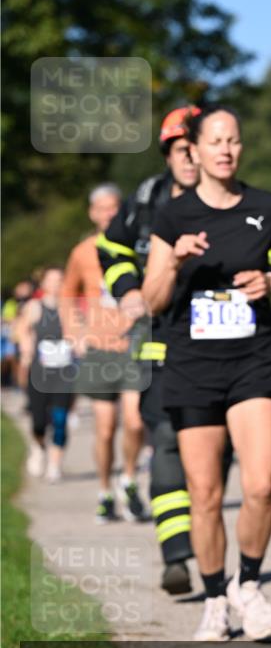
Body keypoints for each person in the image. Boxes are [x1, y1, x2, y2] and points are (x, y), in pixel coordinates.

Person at [143, 105, 271, 641]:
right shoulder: (172, 214)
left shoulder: (266, 206)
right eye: (215, 141)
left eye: (233, 140)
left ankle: (248, 584)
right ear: (194, 149)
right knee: (206, 494)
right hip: (192, 368)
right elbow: (151, 300)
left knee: (261, 485)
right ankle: (214, 599)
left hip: (252, 361)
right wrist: (174, 260)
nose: (226, 150)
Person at [98, 106, 212, 595]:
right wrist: (127, 290)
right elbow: (111, 249)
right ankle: (176, 552)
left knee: (211, 449)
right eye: (180, 150)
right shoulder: (145, 201)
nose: (189, 159)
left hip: (217, 344)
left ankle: (209, 542)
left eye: (194, 149)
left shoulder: (231, 199)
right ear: (168, 153)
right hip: (158, 338)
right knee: (164, 436)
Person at [60, 184, 149, 524]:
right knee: (105, 428)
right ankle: (104, 491)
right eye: (102, 209)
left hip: (134, 344)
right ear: (92, 213)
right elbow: (68, 292)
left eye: (114, 207)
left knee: (135, 421)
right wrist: (74, 332)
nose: (109, 213)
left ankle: (129, 478)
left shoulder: (136, 244)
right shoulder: (83, 252)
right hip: (99, 345)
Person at [15, 266, 75, 482]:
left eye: (60, 280)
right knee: (39, 421)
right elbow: (20, 330)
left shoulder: (69, 308)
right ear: (44, 283)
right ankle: (39, 446)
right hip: (39, 371)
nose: (56, 284)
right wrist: (26, 346)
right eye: (52, 280)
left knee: (60, 419)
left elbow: (80, 334)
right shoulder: (34, 307)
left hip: (64, 372)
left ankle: (55, 465)